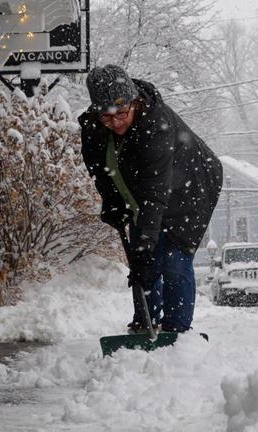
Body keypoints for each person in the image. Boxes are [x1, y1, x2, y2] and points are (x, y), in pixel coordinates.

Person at [78, 64, 223, 334]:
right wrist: (111, 201)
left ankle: (177, 331)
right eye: (106, 117)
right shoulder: (93, 127)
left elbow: (155, 193)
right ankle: (146, 324)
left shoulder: (156, 126)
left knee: (172, 261)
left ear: (134, 102)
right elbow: (101, 170)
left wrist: (145, 247)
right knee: (142, 262)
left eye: (121, 113)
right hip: (144, 195)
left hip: (190, 191)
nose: (115, 122)